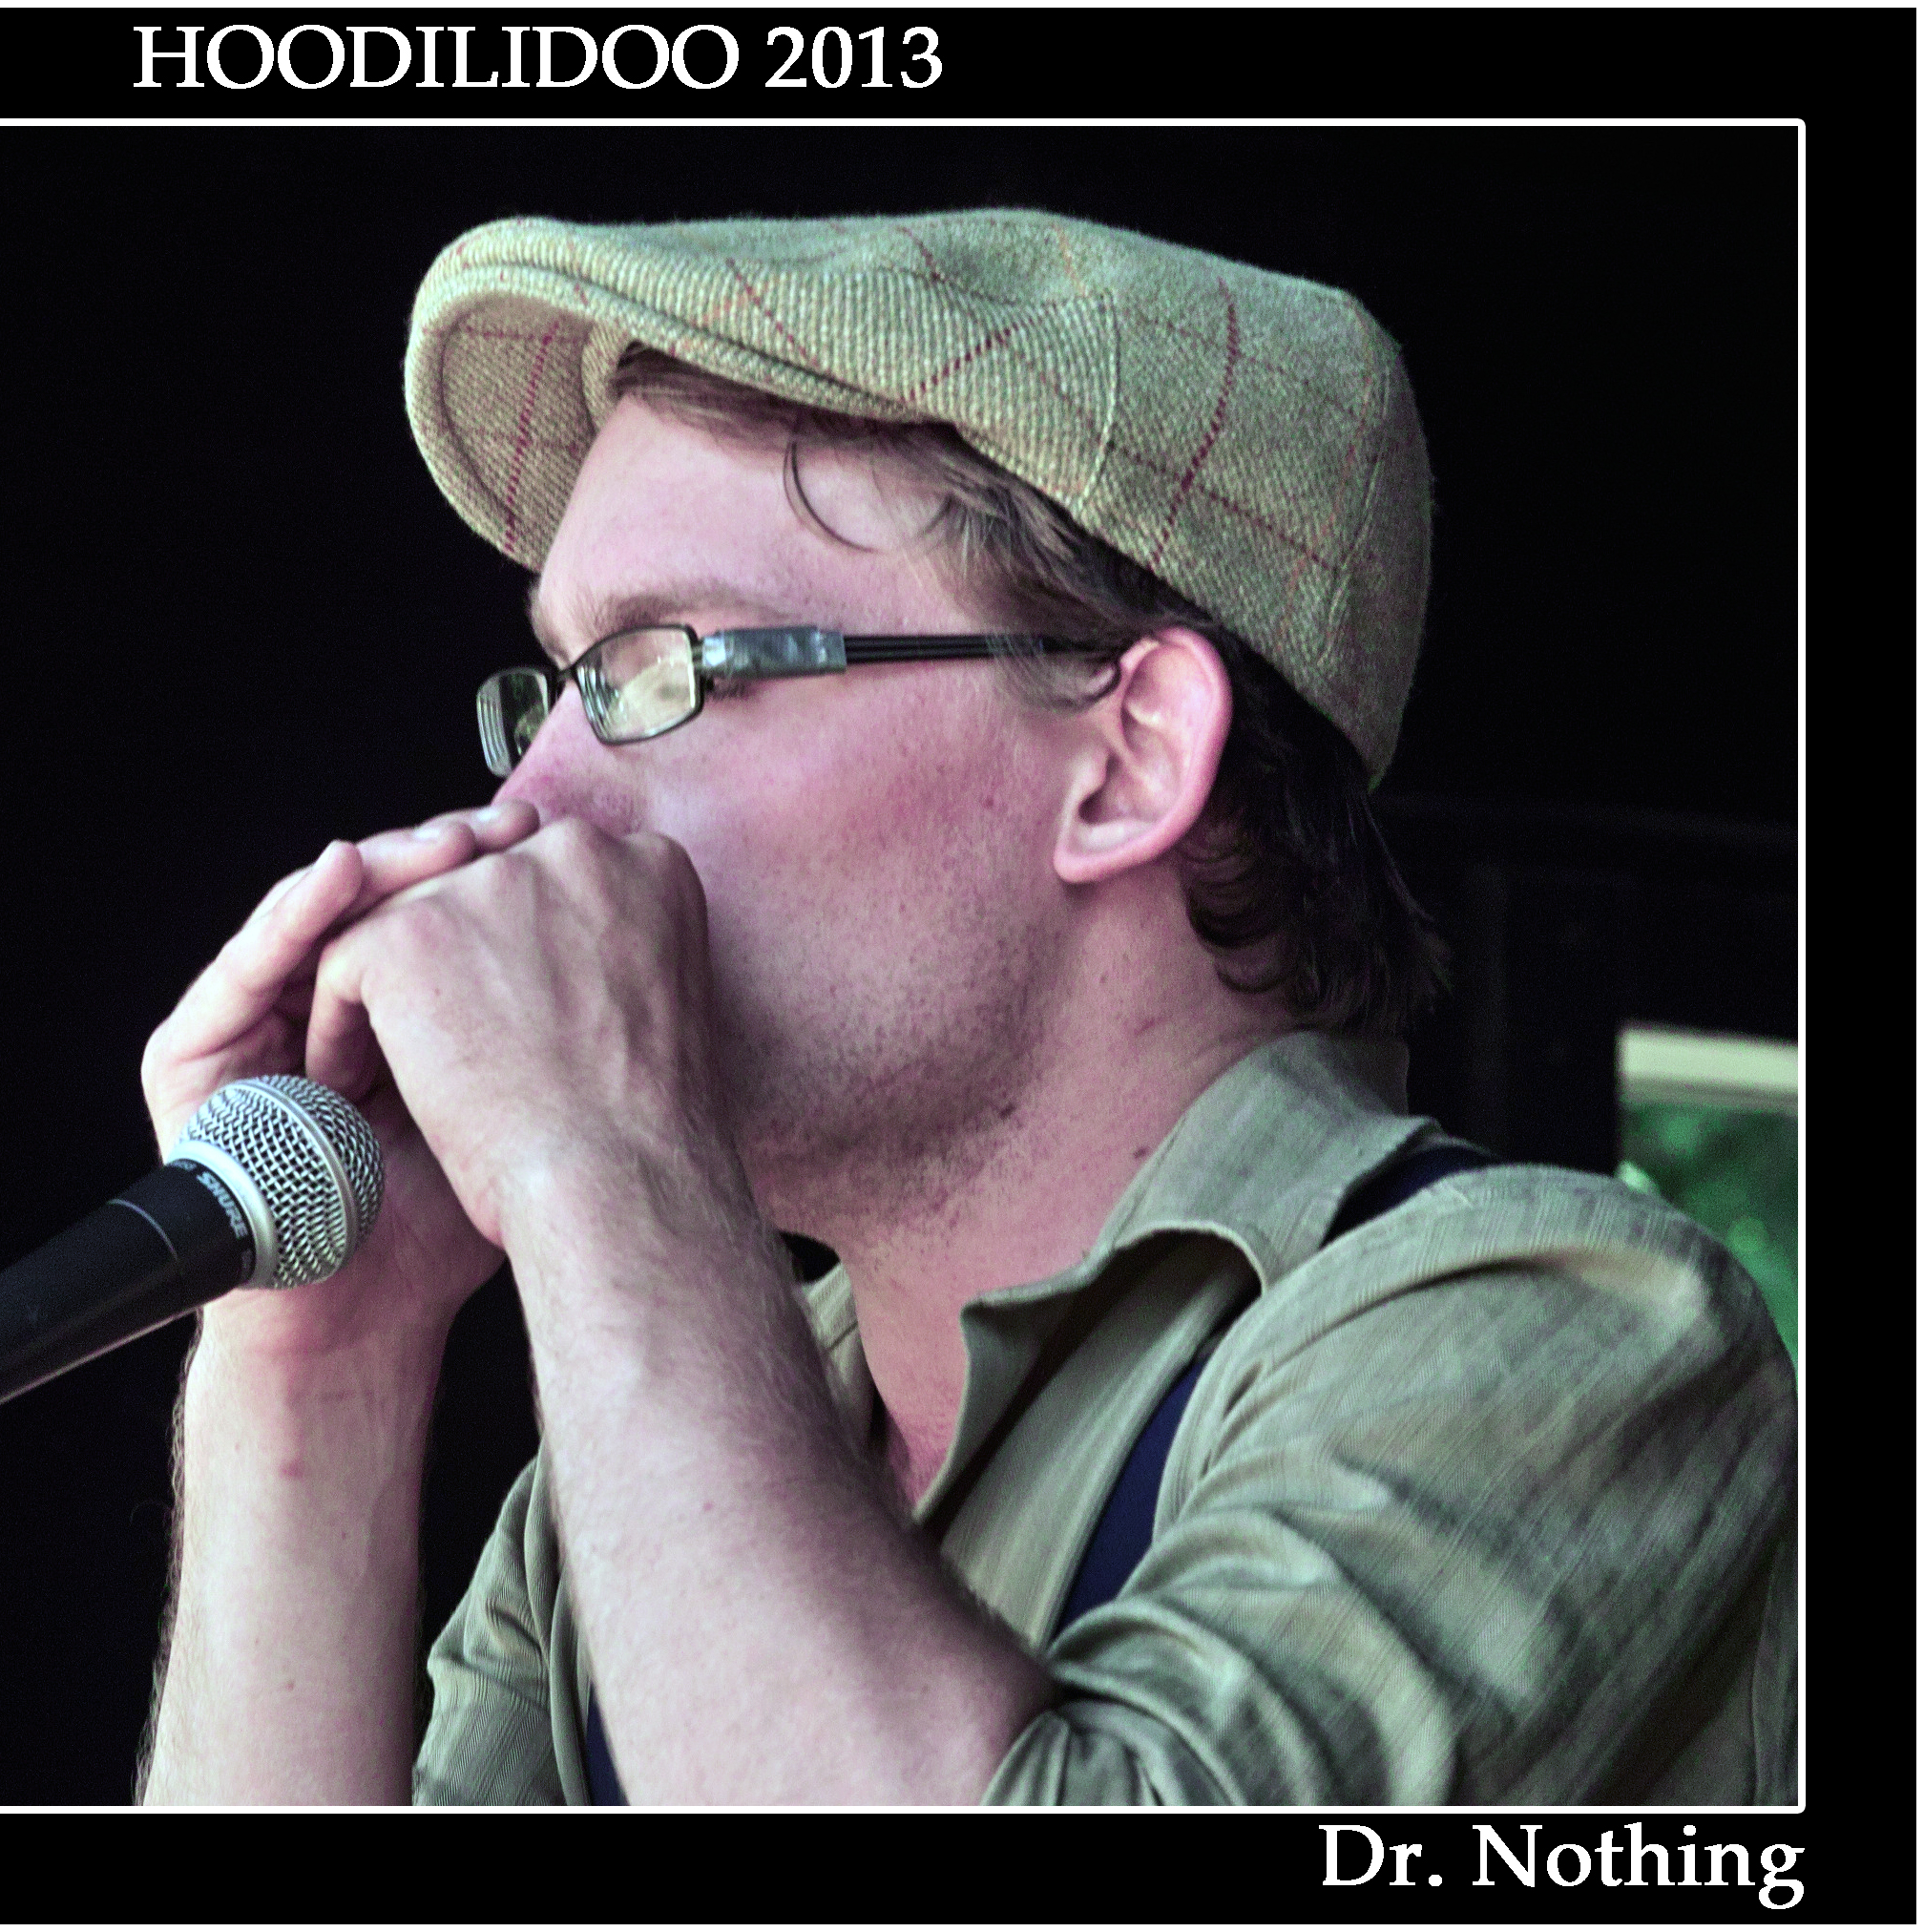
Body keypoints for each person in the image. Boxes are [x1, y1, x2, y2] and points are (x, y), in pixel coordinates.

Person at [131, 210, 1796, 1805]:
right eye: (558, 687)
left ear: (1126, 762)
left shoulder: (1567, 1330)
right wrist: (317, 1356)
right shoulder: (619, 1495)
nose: (530, 807)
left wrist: (603, 1165)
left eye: (666, 670)